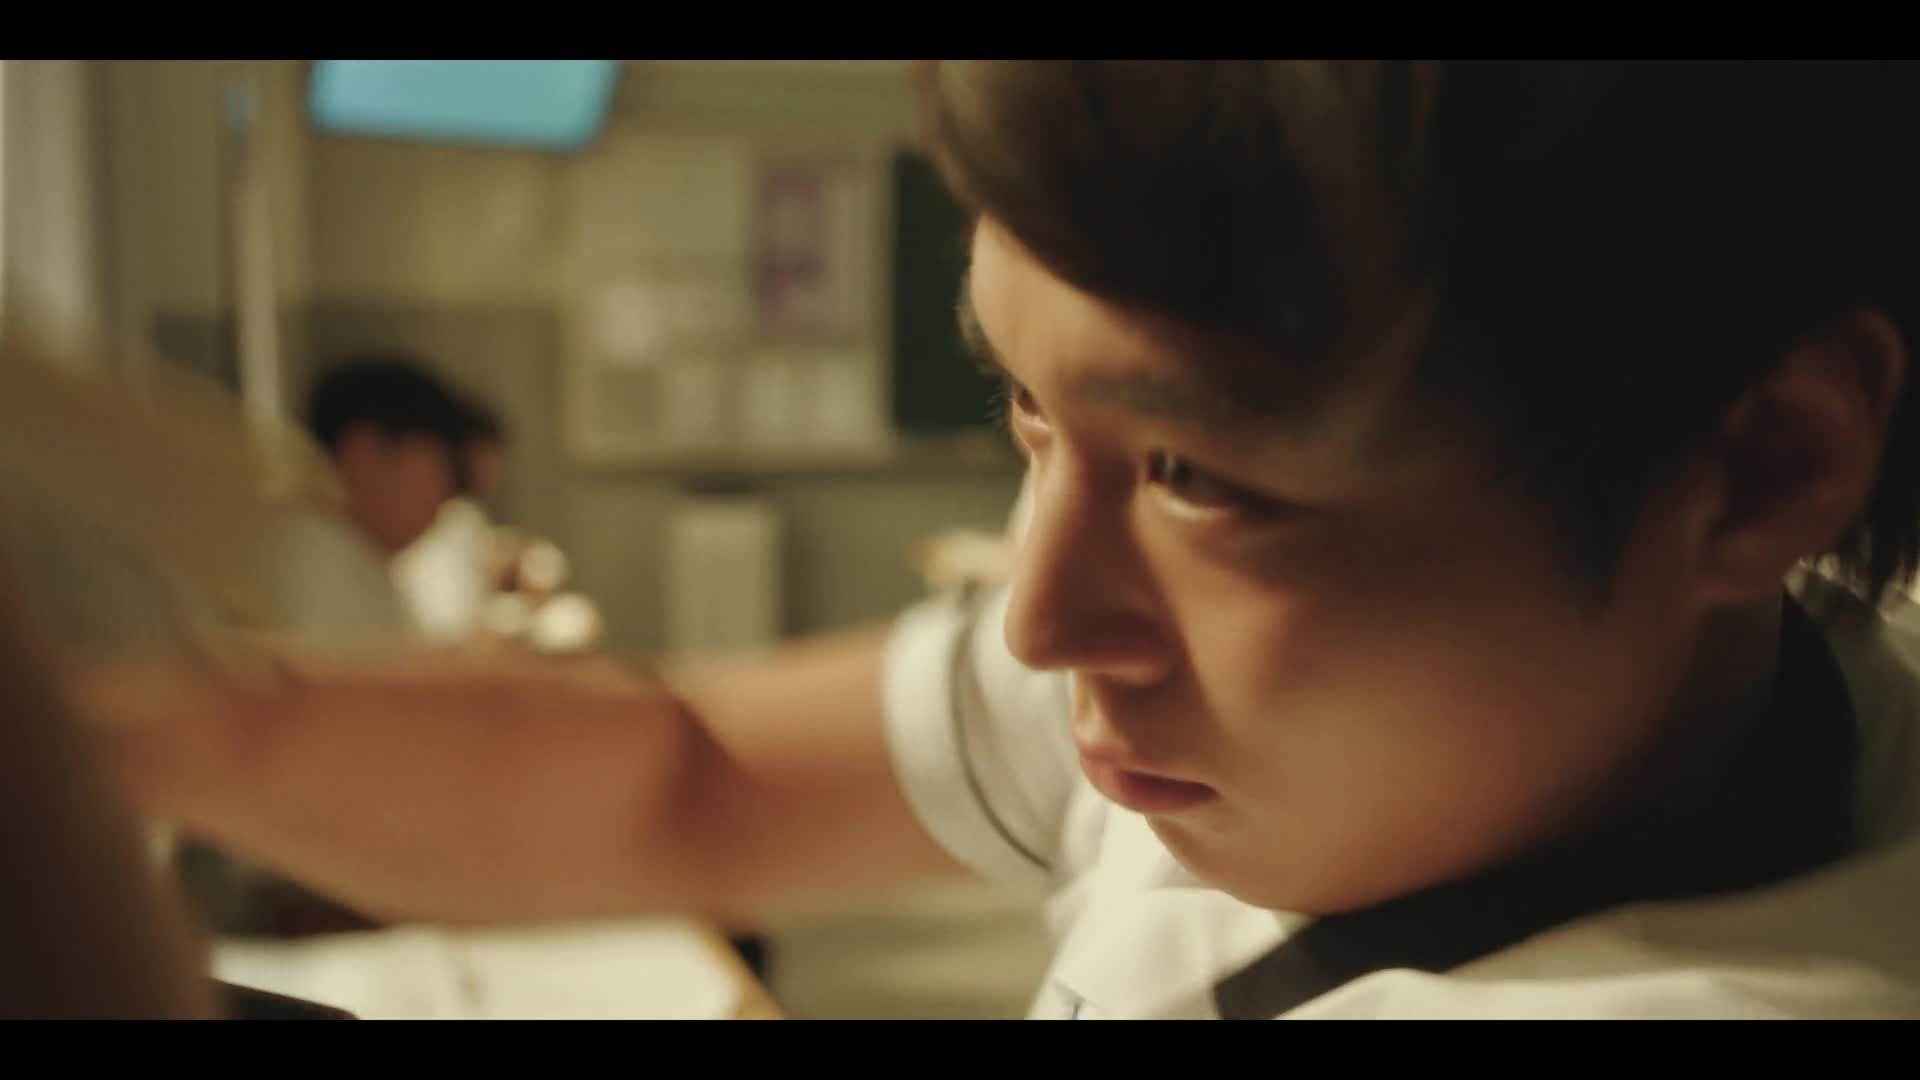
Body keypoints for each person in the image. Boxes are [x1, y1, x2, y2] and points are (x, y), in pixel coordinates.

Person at [72, 62, 1920, 1018]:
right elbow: (688, 769)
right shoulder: (1422, 740)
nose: (1039, 616)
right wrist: (120, 733)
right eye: (1028, 415)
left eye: (1197, 473)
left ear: (1759, 467)